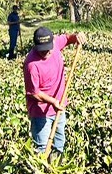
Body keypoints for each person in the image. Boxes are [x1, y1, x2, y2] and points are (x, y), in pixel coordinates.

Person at [23, 26, 86, 157]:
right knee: (42, 147)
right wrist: (53, 102)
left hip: (59, 106)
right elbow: (34, 93)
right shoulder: (31, 65)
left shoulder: (56, 43)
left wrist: (76, 37)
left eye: (48, 48)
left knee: (59, 143)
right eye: (42, 50)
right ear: (35, 46)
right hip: (40, 111)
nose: (46, 52)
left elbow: (68, 38)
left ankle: (56, 167)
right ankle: (41, 173)